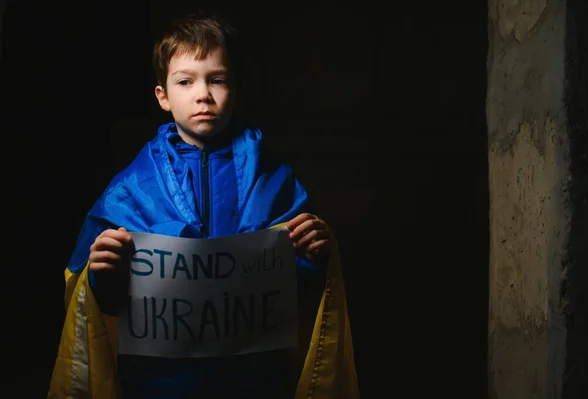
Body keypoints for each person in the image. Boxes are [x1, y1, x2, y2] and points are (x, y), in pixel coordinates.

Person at [48, 10, 359, 399]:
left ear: (237, 90)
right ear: (163, 96)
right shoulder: (130, 190)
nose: (202, 94)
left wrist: (310, 258)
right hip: (159, 385)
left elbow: (292, 296)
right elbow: (100, 305)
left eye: (217, 79)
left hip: (255, 382)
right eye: (185, 81)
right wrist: (102, 275)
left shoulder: (275, 181)